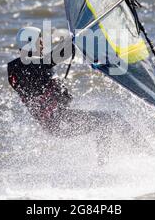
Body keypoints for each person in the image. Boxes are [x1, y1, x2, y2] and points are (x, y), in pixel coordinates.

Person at [8, 26, 114, 164]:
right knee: (108, 120)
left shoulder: (25, 67)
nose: (42, 44)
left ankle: (105, 162)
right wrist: (77, 38)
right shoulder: (24, 66)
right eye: (40, 41)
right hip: (59, 122)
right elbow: (59, 55)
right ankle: (105, 164)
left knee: (108, 120)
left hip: (57, 121)